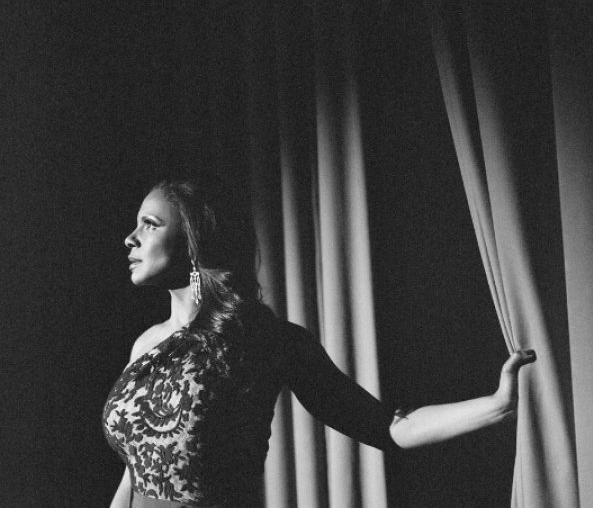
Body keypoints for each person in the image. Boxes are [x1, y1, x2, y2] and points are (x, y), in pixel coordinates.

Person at [103, 180, 536, 508]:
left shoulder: (262, 340)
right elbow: (133, 473)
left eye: (150, 225)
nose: (130, 237)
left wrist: (496, 406)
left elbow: (387, 427)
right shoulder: (146, 344)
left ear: (194, 241)